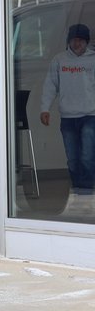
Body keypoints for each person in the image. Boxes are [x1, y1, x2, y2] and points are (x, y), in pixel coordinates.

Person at [40, 23, 95, 215]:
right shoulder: (60, 60)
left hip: (90, 115)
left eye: (80, 39)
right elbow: (50, 86)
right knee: (72, 158)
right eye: (74, 39)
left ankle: (86, 192)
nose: (77, 42)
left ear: (86, 41)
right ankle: (79, 188)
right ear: (69, 41)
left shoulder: (93, 59)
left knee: (88, 155)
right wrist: (44, 109)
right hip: (68, 117)